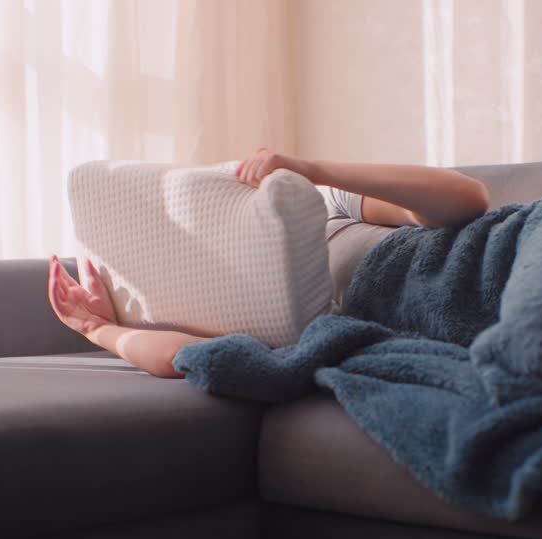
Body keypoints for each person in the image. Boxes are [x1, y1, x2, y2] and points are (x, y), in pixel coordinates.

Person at [47, 149, 489, 377]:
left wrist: (312, 168)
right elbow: (180, 357)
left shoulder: (318, 200)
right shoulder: (262, 318)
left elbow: (467, 200)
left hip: (487, 263)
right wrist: (97, 329)